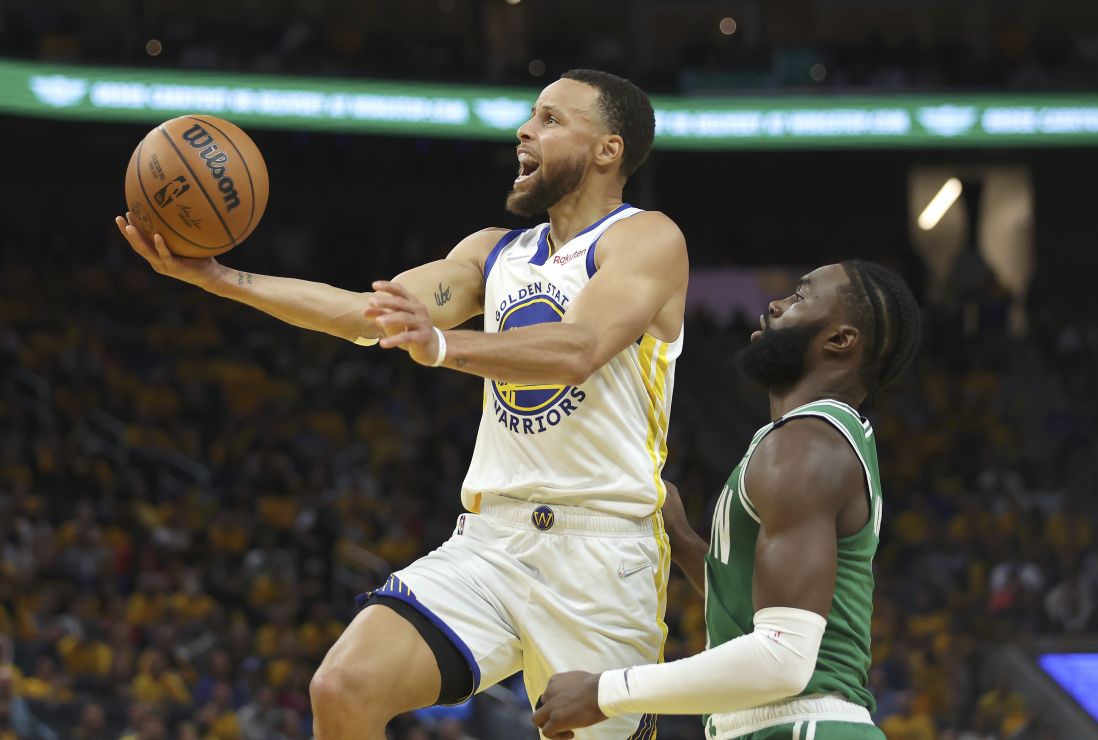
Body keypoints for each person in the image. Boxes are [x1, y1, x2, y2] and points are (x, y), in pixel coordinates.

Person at [116, 68, 688, 740]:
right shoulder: (494, 252)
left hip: (601, 555)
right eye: (531, 116)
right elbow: (366, 315)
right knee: (343, 687)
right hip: (493, 541)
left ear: (607, 150)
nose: (524, 130)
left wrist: (445, 346)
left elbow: (581, 347)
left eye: (551, 119)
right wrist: (218, 278)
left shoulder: (645, 238)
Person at [532, 261, 920, 739]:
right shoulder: (810, 440)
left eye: (799, 297)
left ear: (839, 340)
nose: (775, 304)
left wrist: (603, 692)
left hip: (804, 724)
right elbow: (753, 604)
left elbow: (782, 660)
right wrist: (681, 537)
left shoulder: (807, 445)